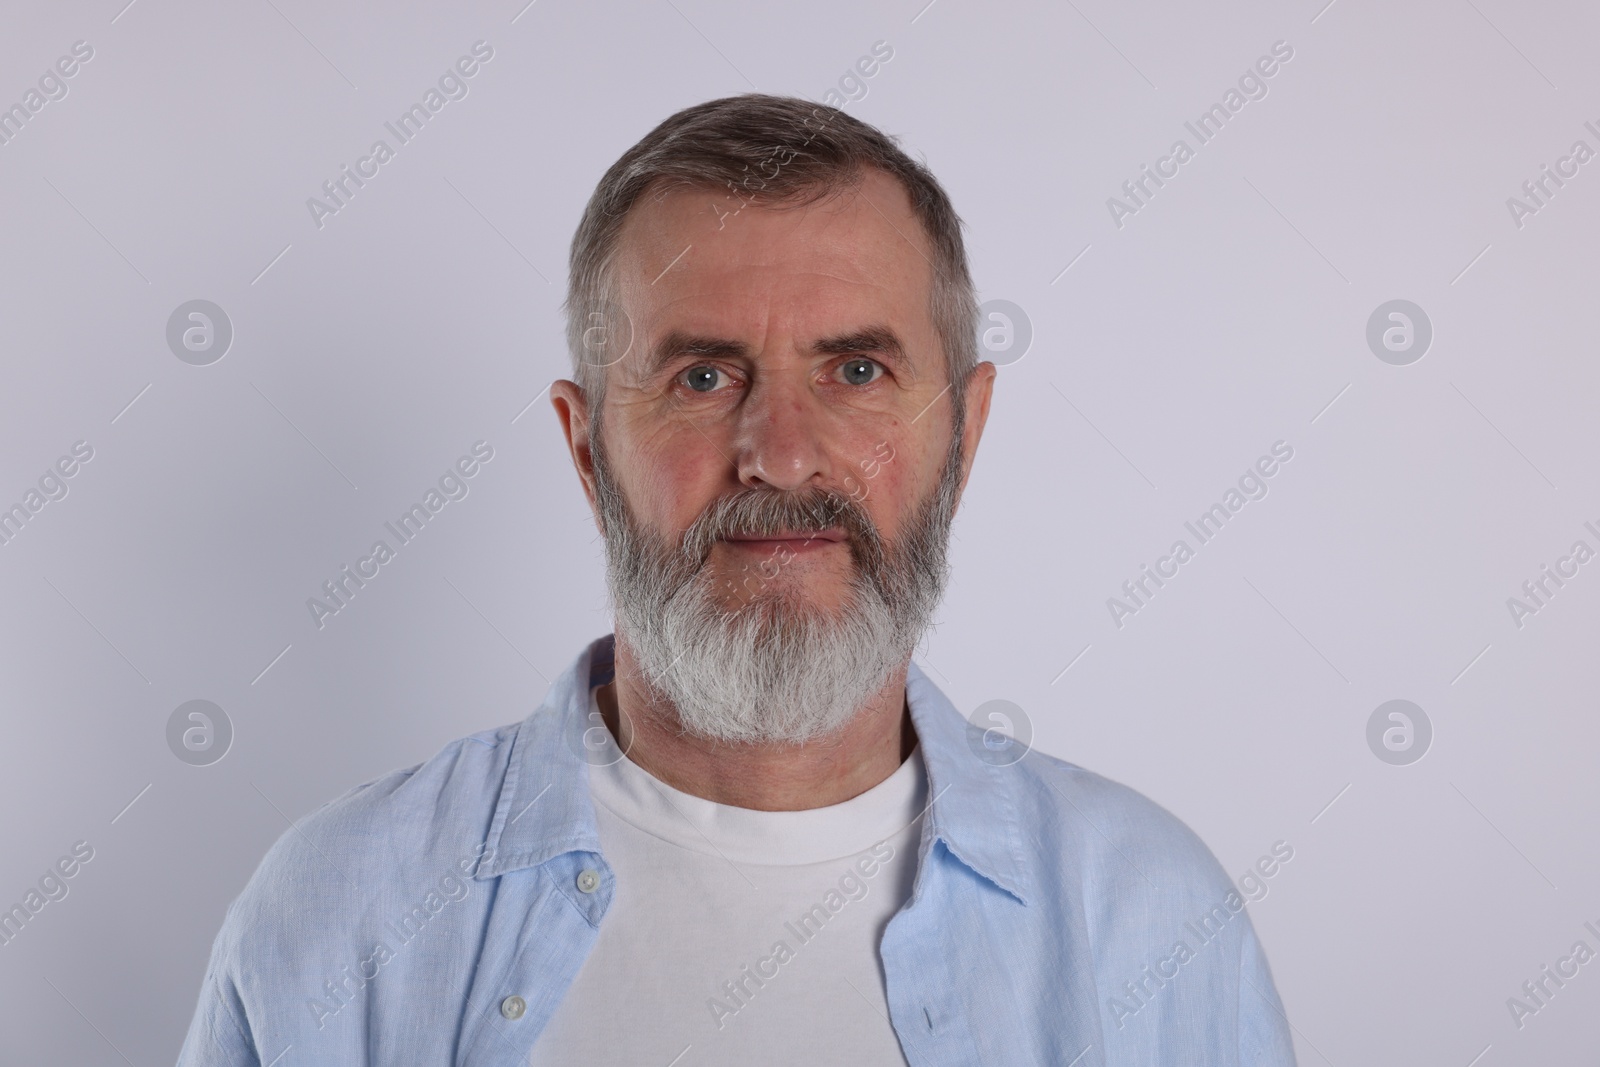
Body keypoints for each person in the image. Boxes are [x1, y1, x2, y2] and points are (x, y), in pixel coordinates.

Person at [177, 93, 1296, 1066]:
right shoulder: (342, 911)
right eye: (703, 374)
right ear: (584, 447)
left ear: (963, 431)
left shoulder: (1151, 919)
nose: (781, 450)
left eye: (856, 370)